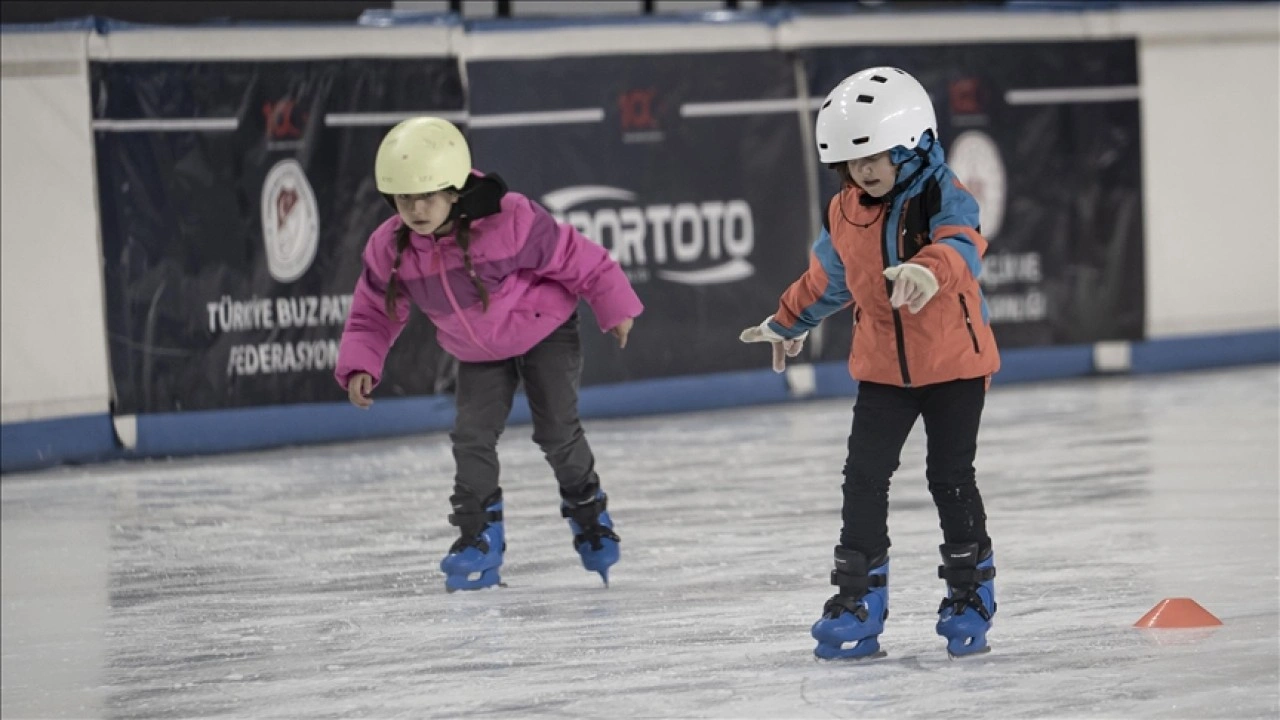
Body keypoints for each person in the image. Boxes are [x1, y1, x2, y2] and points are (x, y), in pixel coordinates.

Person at [740, 67, 1000, 659]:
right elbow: (829, 280)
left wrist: (926, 271)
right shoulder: (845, 210)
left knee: (949, 478)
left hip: (955, 367)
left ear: (911, 144)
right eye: (852, 162)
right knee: (863, 478)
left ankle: (970, 595)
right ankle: (858, 601)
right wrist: (788, 321)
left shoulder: (942, 193)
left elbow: (962, 246)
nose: (863, 172)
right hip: (884, 370)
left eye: (874, 157)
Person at [336, 117, 643, 592]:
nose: (416, 209)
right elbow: (374, 311)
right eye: (404, 199)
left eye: (428, 195)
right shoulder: (392, 249)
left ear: (455, 188)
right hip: (478, 351)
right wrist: (361, 362)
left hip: (545, 331)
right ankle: (478, 537)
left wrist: (614, 304)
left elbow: (578, 256)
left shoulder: (510, 219)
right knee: (471, 437)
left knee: (557, 432)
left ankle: (589, 515)